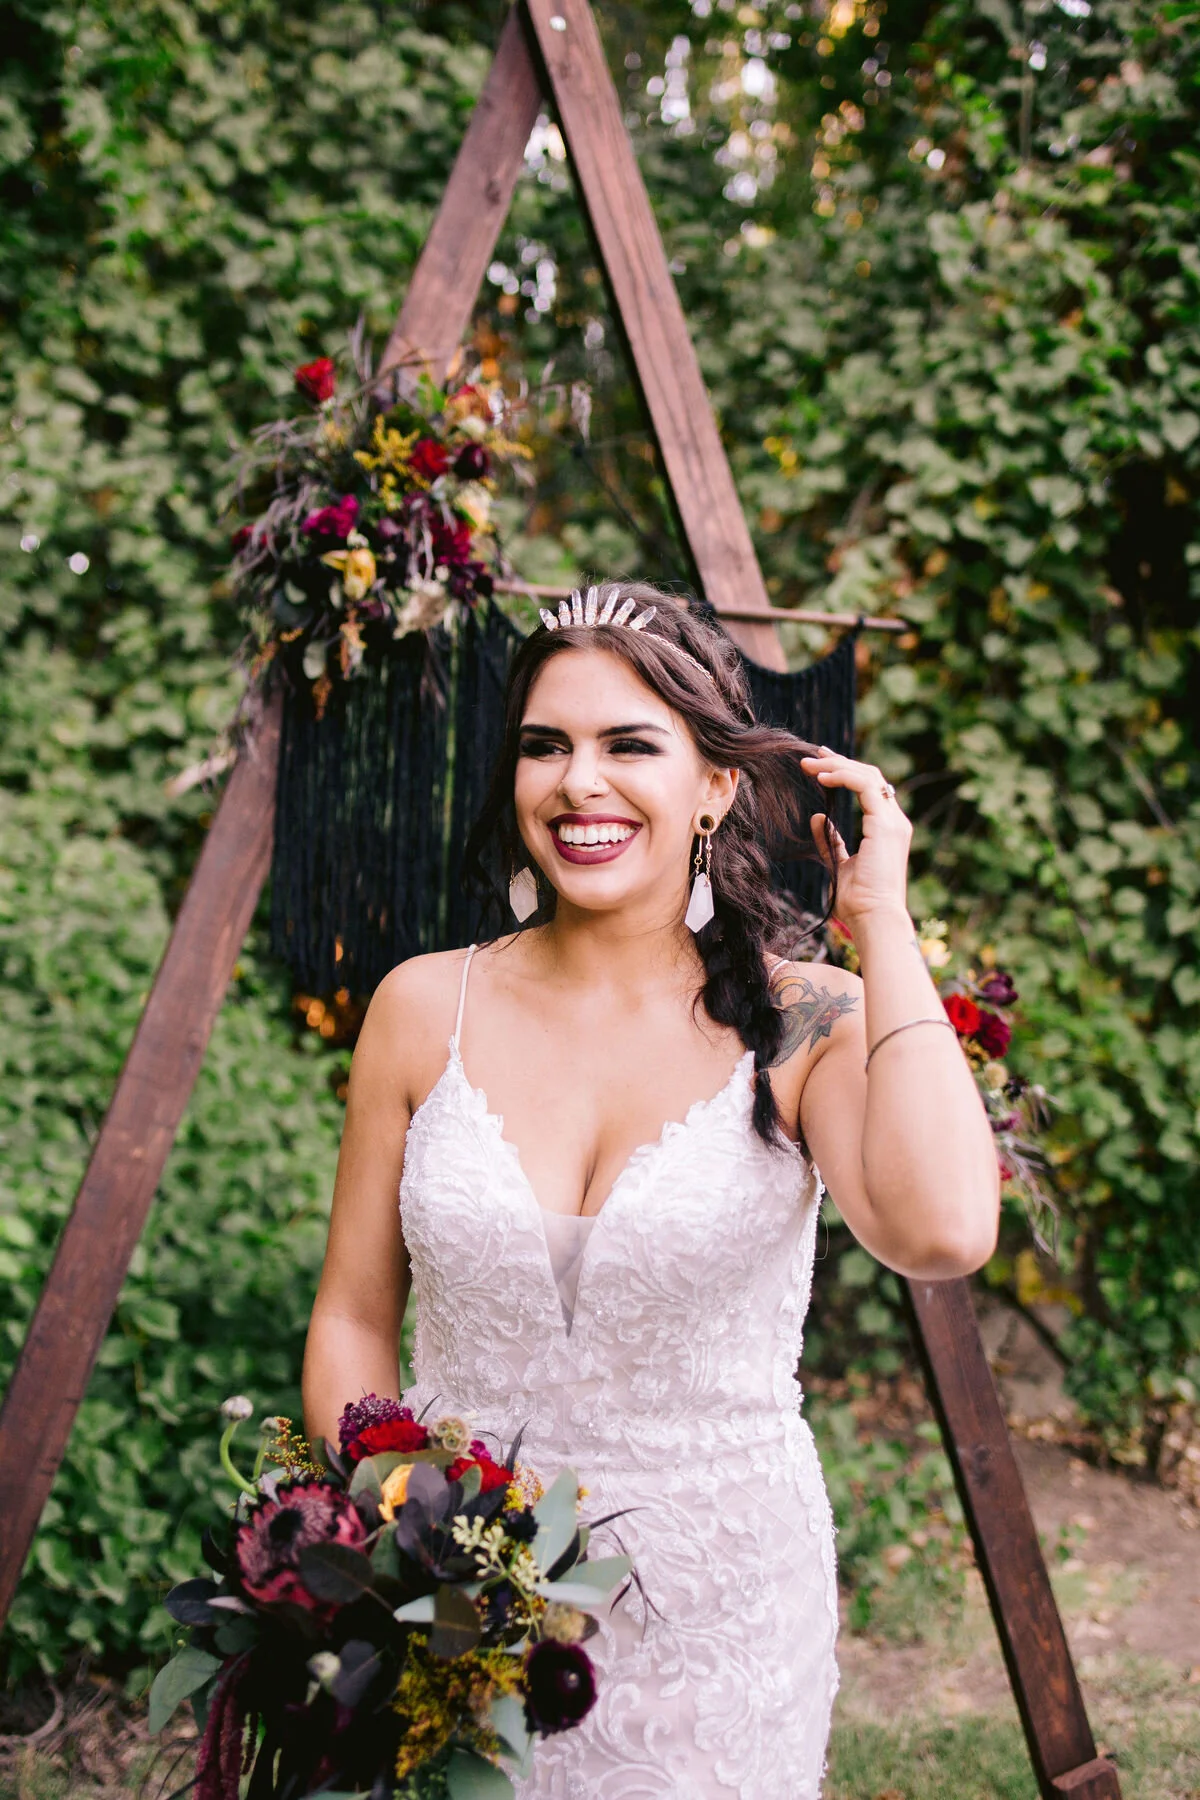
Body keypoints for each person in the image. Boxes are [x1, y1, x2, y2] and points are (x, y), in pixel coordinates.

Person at [303, 582, 999, 1798]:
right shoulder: (423, 1006)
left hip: (715, 1625)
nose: (580, 782)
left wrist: (879, 919)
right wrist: (403, 1530)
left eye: (630, 744)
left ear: (715, 785)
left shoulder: (807, 1018)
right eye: (545, 745)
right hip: (456, 1616)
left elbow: (941, 1229)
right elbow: (355, 1314)